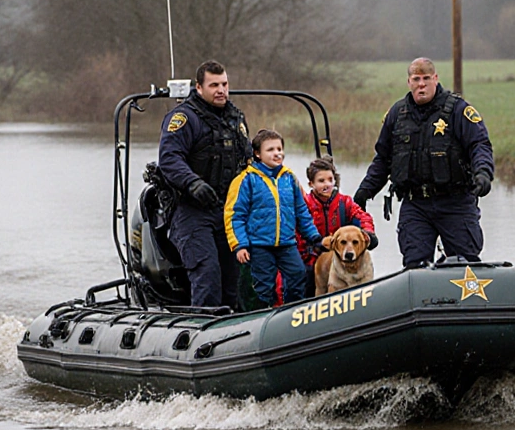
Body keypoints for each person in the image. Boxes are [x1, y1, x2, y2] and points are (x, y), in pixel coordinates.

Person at [354, 57, 495, 268]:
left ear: (436, 79)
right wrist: (366, 190)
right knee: (415, 266)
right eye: (416, 79)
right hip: (416, 204)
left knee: (466, 266)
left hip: (455, 202)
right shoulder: (397, 114)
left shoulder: (458, 110)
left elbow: (479, 145)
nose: (422, 84)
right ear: (409, 82)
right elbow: (383, 159)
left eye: (426, 78)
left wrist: (483, 173)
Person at [158, 60, 251, 308]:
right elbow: (169, 158)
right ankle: (203, 333)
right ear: (199, 87)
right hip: (192, 211)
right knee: (207, 274)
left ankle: (237, 330)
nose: (221, 90)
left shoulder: (235, 119)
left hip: (228, 210)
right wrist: (193, 184)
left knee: (234, 278)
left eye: (224, 84)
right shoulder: (184, 119)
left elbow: (248, 160)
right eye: (214, 85)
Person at [225, 129, 322, 306]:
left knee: (298, 274)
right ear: (257, 154)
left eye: (279, 149)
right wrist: (239, 245)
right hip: (259, 245)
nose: (277, 153)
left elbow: (301, 211)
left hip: (286, 243)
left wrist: (313, 237)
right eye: (270, 150)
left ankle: (292, 313)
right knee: (263, 286)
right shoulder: (246, 180)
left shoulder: (289, 178)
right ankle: (262, 317)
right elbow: (234, 216)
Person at [296, 156, 377, 297]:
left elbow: (362, 216)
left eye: (330, 180)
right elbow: (298, 233)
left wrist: (368, 232)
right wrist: (315, 246)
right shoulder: (305, 205)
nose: (326, 184)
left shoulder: (344, 202)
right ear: (311, 184)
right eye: (321, 181)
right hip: (311, 258)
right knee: (304, 282)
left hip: (341, 255)